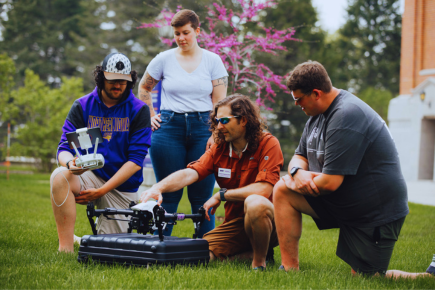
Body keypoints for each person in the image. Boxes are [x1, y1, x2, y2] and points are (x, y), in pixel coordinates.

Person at [273, 60, 433, 278]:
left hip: (374, 211)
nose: (296, 104)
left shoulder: (346, 114)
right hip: (345, 200)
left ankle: (427, 276)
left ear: (316, 93)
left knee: (367, 278)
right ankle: (289, 269)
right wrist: (295, 174)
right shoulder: (316, 115)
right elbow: (299, 157)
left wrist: (293, 180)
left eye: (298, 98)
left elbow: (330, 182)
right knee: (283, 191)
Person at [140, 95, 283, 270]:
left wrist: (221, 195)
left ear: (243, 120)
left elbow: (263, 190)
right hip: (235, 223)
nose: (219, 126)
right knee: (199, 255)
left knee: (255, 204)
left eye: (224, 120)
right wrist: (158, 187)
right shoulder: (219, 147)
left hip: (271, 222)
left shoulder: (268, 143)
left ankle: (260, 262)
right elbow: (190, 173)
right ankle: (248, 254)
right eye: (217, 121)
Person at [138, 9, 228, 237]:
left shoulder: (213, 61)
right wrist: (150, 114)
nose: (181, 38)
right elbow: (144, 87)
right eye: (177, 33)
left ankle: (206, 249)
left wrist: (215, 134)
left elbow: (220, 103)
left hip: (203, 129)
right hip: (168, 129)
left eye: (186, 32)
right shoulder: (163, 59)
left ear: (198, 31)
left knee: (202, 196)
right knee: (168, 194)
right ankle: (161, 245)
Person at [51, 52, 152, 252]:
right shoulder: (82, 105)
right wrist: (70, 164)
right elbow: (64, 148)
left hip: (122, 187)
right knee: (60, 175)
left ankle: (85, 239)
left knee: (112, 250)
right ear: (101, 77)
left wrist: (101, 192)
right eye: (113, 80)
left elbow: (135, 160)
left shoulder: (139, 110)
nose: (118, 86)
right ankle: (65, 247)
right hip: (91, 175)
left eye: (123, 81)